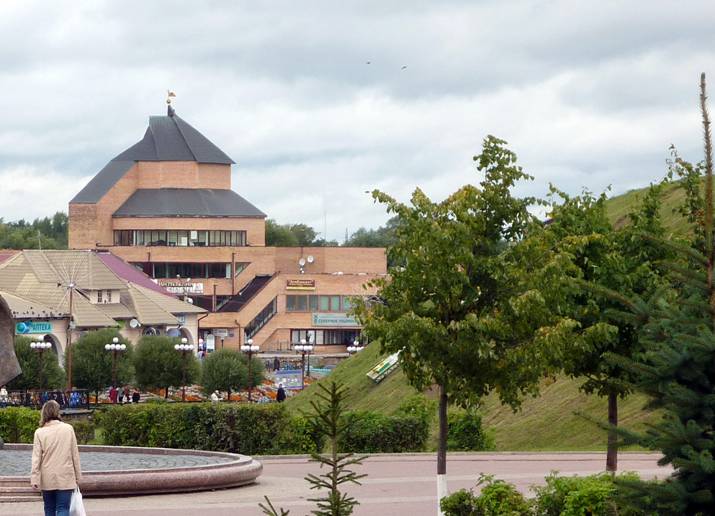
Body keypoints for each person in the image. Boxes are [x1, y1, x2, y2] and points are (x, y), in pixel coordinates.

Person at [31, 400, 82, 516]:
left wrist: (34, 478)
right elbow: (75, 454)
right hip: (65, 476)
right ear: (57, 412)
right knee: (63, 508)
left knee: (49, 509)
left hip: (47, 477)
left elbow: (36, 458)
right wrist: (78, 476)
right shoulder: (68, 429)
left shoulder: (39, 432)